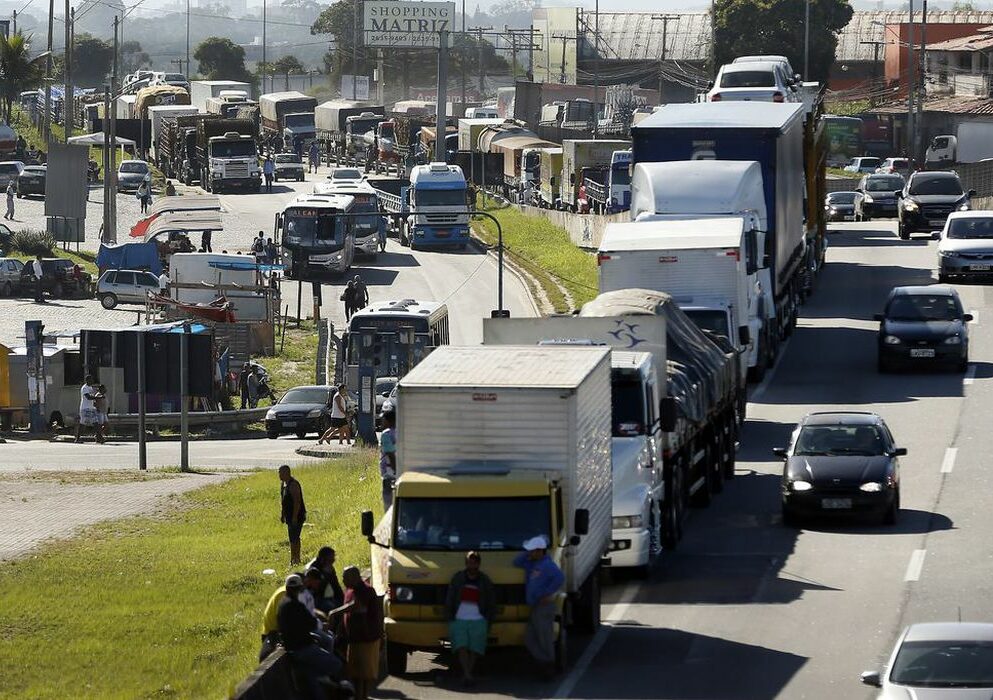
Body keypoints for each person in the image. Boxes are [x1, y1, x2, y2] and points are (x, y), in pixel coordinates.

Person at [277, 574, 344, 697]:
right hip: (303, 648)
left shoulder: (282, 605)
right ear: (300, 588)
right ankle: (326, 680)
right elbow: (311, 623)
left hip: (292, 649)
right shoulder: (296, 606)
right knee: (336, 664)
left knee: (312, 679)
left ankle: (320, 683)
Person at [513, 535, 565, 680]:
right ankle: (546, 662)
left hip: (544, 606)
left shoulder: (548, 565)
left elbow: (560, 578)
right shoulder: (532, 563)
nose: (529, 553)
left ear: (540, 551)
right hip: (536, 607)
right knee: (530, 639)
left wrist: (548, 594)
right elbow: (516, 562)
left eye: (532, 550)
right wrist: (527, 552)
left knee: (545, 638)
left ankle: (549, 667)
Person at [445, 551, 496, 686]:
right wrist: (450, 616)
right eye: (469, 562)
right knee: (461, 646)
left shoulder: (485, 580)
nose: (471, 565)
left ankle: (468, 673)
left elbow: (491, 601)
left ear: (478, 564)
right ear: (466, 563)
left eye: (474, 562)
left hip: (478, 619)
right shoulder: (458, 578)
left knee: (474, 648)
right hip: (459, 618)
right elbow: (450, 597)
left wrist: (488, 618)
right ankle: (467, 674)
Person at [342, 566, 383, 700]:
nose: (343, 580)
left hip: (366, 638)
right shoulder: (351, 590)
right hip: (355, 638)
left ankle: (362, 697)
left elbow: (357, 606)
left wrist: (334, 613)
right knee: (355, 674)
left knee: (363, 675)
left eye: (345, 577)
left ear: (354, 577)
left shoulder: (366, 590)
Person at [279, 465, 307, 565]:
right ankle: (293, 558)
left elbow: (297, 502)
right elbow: (283, 500)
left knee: (295, 537)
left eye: (281, 473)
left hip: (297, 515)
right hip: (289, 515)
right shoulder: (283, 484)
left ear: (287, 473)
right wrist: (282, 514)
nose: (279, 475)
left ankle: (296, 558)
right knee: (292, 538)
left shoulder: (293, 484)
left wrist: (295, 517)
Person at [306, 546, 345, 613]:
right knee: (333, 607)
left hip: (323, 596)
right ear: (322, 559)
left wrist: (343, 600)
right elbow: (314, 589)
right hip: (312, 599)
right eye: (331, 560)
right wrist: (326, 574)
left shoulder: (328, 567)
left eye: (333, 560)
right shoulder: (312, 570)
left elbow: (335, 586)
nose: (332, 563)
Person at [259, 578, 289, 661]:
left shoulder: (285, 591)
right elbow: (282, 620)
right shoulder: (284, 594)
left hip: (276, 631)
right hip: (273, 633)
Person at [75, 375, 103, 444]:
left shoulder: (90, 388)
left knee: (95, 422)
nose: (92, 381)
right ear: (87, 380)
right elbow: (88, 397)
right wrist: (98, 398)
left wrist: (95, 405)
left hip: (91, 408)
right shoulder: (84, 388)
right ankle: (77, 438)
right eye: (91, 380)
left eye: (92, 380)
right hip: (85, 408)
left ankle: (99, 437)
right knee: (82, 424)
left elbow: (92, 399)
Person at [379, 411, 397, 511]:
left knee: (388, 503)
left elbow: (390, 454)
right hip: (400, 471)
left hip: (389, 473)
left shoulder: (386, 434)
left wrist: (395, 470)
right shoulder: (400, 432)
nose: (382, 422)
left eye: (383, 420)